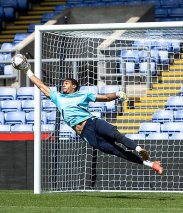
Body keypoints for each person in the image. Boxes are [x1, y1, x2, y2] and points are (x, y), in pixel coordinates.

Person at [13, 55, 162, 175]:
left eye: (66, 83)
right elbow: (41, 85)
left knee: (117, 136)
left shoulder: (84, 95)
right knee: (118, 152)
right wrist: (27, 71)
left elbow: (105, 98)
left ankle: (139, 149)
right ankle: (152, 164)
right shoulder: (58, 98)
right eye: (63, 83)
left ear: (74, 85)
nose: (63, 85)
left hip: (92, 122)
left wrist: (118, 93)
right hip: (85, 134)